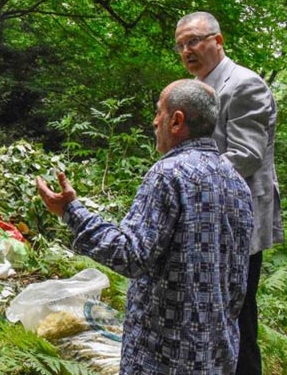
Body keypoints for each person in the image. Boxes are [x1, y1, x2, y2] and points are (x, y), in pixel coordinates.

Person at [36, 79, 253, 374]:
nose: (154, 121)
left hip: (163, 357)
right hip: (218, 356)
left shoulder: (169, 174)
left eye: (158, 112)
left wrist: (70, 212)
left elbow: (130, 255)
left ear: (176, 121)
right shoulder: (237, 182)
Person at [175, 11, 282, 375]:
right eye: (180, 45)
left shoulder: (243, 84)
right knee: (213, 312)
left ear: (217, 41)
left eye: (193, 41)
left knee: (236, 316)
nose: (186, 50)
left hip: (239, 219)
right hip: (209, 218)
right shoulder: (199, 87)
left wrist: (187, 178)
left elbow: (247, 156)